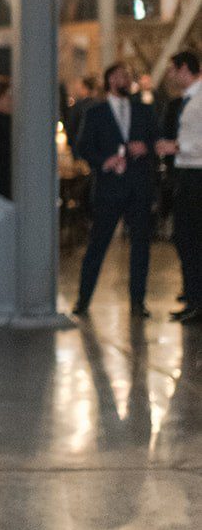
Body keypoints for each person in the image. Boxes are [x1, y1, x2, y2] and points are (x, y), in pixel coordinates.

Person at [73, 62, 157, 320]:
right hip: (109, 188)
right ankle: (83, 299)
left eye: (128, 76)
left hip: (138, 187)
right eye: (121, 76)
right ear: (110, 80)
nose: (126, 80)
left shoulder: (143, 110)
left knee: (140, 246)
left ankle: (138, 301)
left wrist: (146, 147)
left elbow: (156, 139)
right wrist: (104, 161)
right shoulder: (95, 112)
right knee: (97, 245)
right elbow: (83, 147)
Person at [156, 49, 202, 325]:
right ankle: (193, 299)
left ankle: (197, 302)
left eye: (173, 70)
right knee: (185, 239)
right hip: (185, 175)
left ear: (184, 69)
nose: (171, 76)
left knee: (192, 239)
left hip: (197, 176)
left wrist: (178, 146)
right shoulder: (188, 99)